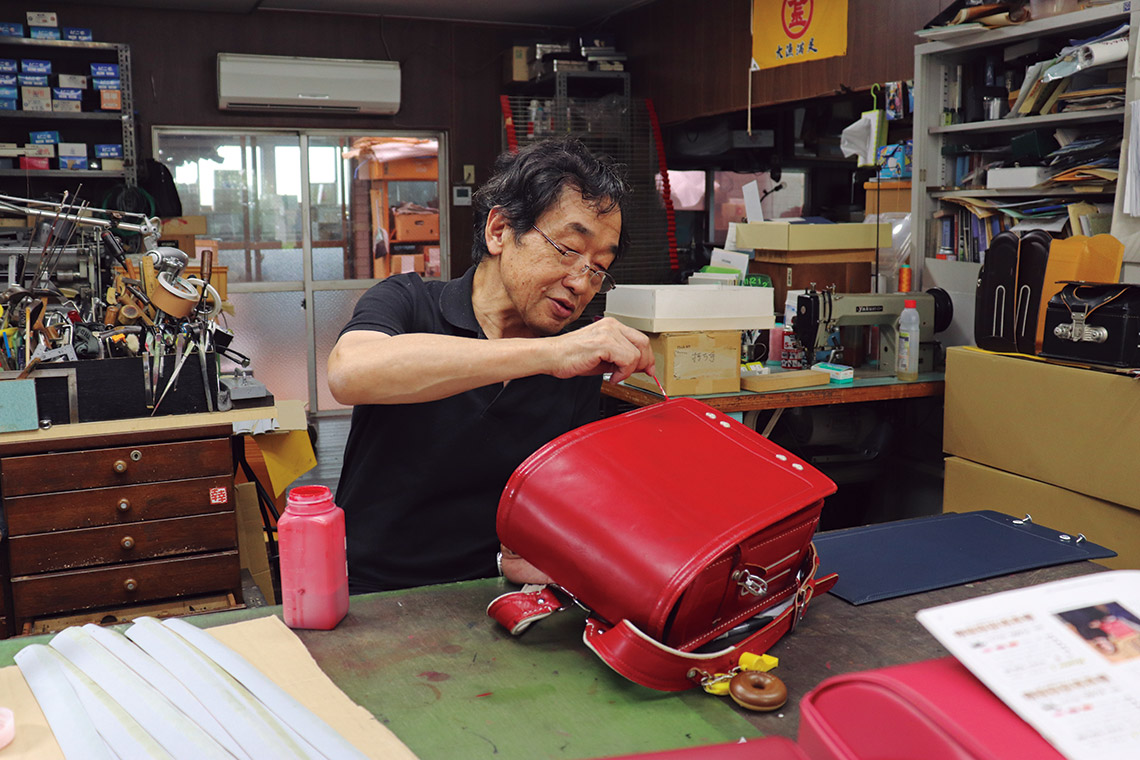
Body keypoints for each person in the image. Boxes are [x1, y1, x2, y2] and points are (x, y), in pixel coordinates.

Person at [328, 137, 655, 593]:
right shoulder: (409, 301)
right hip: (372, 588)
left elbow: (561, 503)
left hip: (493, 593)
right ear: (499, 231)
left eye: (599, 268)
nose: (582, 282)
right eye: (567, 249)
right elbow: (349, 373)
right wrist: (550, 355)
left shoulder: (577, 359)